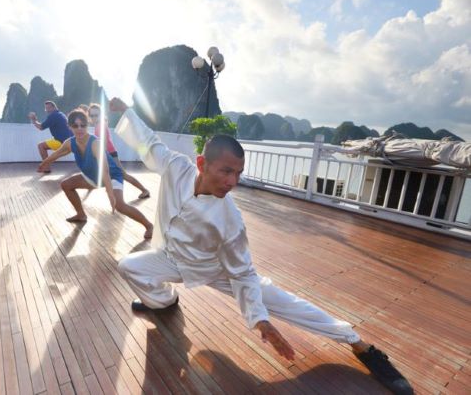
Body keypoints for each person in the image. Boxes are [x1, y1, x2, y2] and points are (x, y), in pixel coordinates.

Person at [110, 97, 412, 395]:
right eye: (226, 171)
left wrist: (261, 320)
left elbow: (242, 275)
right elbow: (149, 144)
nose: (232, 182)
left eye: (238, 173)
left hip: (216, 269)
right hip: (171, 257)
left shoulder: (230, 219)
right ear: (202, 163)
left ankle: (359, 344)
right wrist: (127, 112)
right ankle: (164, 301)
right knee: (129, 267)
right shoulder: (177, 167)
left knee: (285, 302)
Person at [38, 108, 154, 239]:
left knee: (119, 205)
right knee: (66, 185)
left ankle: (149, 225)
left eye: (83, 125)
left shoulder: (95, 143)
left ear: (88, 126)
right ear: (69, 127)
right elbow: (56, 154)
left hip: (112, 175)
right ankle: (81, 214)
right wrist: (44, 163)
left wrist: (111, 195)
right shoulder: (69, 143)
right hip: (93, 177)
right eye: (75, 126)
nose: (80, 129)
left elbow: (105, 170)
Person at [88, 103, 150, 199]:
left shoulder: (100, 126)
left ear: (100, 114)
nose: (94, 117)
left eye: (96, 115)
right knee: (109, 174)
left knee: (122, 174)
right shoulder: (99, 125)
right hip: (107, 154)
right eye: (91, 115)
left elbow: (103, 143)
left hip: (110, 154)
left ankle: (144, 190)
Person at [28, 100, 73, 173]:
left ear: (54, 107)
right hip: (71, 141)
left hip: (62, 142)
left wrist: (34, 120)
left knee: (41, 146)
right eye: (46, 108)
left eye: (48, 108)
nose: (47, 110)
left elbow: (41, 127)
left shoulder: (53, 115)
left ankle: (46, 168)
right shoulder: (61, 114)